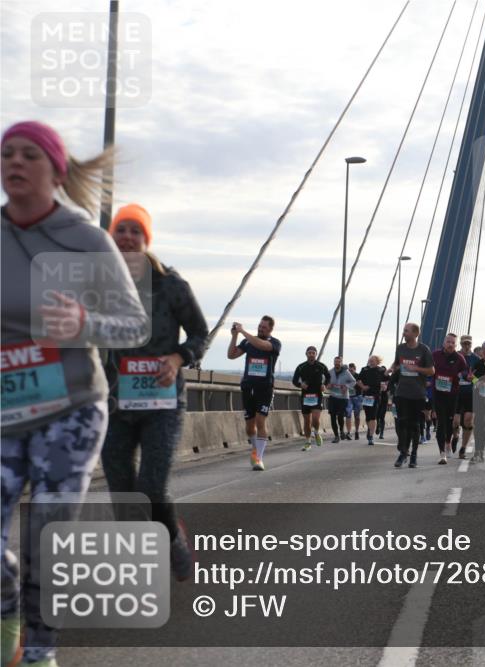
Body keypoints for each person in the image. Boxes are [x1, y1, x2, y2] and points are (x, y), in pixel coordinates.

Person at [2, 120, 149, 667]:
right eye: (6, 153)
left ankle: (37, 654)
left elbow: (134, 326)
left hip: (70, 408)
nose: (14, 163)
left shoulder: (85, 238)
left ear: (56, 170)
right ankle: (7, 606)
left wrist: (84, 322)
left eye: (29, 155)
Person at [101, 202, 208, 583]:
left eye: (135, 231)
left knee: (151, 486)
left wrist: (179, 358)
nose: (127, 237)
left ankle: (172, 538)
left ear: (146, 239)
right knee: (121, 486)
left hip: (163, 401)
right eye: (121, 230)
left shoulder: (171, 285)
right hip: (114, 401)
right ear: (111, 237)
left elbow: (200, 333)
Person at [228, 316, 281, 471]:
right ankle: (254, 448)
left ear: (270, 329)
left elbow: (262, 345)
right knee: (250, 427)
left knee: (260, 420)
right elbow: (231, 355)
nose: (260, 329)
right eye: (259, 326)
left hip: (265, 388)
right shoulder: (247, 342)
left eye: (264, 327)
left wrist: (242, 331)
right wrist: (234, 336)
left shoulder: (274, 343)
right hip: (248, 387)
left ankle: (258, 458)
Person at [390, 323, 434, 468]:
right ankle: (403, 453)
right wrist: (391, 369)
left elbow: (431, 371)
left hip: (417, 394)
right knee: (402, 424)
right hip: (402, 392)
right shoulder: (400, 348)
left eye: (406, 331)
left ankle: (413, 455)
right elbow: (397, 364)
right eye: (403, 330)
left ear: (415, 333)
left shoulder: (424, 350)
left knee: (414, 425)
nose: (404, 333)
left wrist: (416, 368)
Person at [431, 333, 467, 464]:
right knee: (441, 423)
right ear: (443, 342)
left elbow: (465, 371)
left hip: (453, 396)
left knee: (450, 424)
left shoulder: (459, 358)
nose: (450, 344)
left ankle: (448, 442)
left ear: (456, 345)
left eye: (453, 343)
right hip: (438, 394)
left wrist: (462, 374)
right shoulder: (435, 355)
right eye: (448, 342)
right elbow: (427, 367)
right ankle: (442, 454)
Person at [292, 346, 330, 451]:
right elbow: (294, 381)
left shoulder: (321, 366)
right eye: (309, 353)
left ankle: (316, 432)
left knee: (315, 419)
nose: (311, 354)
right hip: (306, 396)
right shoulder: (301, 367)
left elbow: (328, 377)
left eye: (313, 353)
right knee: (307, 421)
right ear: (306, 354)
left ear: (316, 354)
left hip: (317, 395)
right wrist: (300, 385)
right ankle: (308, 442)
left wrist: (324, 385)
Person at [452, 334, 478, 458]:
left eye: (469, 344)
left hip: (470, 393)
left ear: (471, 344)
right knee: (455, 422)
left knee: (468, 421)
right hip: (456, 392)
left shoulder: (476, 359)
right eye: (464, 344)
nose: (466, 346)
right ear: (461, 344)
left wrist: (475, 379)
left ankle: (463, 448)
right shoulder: (455, 356)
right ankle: (455, 436)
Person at [355, 356, 385, 445]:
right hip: (366, 396)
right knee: (368, 417)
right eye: (370, 360)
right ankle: (371, 428)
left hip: (375, 395)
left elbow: (386, 380)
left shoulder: (381, 370)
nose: (371, 362)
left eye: (372, 361)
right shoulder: (364, 369)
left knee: (373, 416)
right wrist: (363, 387)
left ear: (377, 361)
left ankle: (371, 436)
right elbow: (358, 380)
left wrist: (384, 386)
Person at [326, 356, 355, 442]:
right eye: (335, 362)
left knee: (340, 416)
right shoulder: (330, 372)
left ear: (341, 363)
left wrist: (346, 386)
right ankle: (336, 436)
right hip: (333, 397)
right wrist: (328, 385)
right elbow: (325, 382)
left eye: (339, 362)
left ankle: (342, 431)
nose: (337, 363)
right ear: (333, 362)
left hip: (343, 398)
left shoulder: (346, 372)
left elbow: (353, 381)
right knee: (332, 416)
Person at [347, 362, 364, 440]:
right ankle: (349, 432)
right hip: (349, 397)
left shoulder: (358, 376)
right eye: (349, 370)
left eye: (352, 370)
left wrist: (358, 383)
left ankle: (356, 431)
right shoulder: (346, 376)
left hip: (357, 397)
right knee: (348, 413)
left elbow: (362, 385)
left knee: (357, 416)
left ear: (354, 369)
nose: (350, 371)